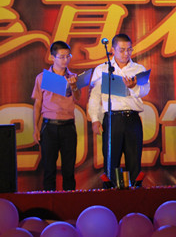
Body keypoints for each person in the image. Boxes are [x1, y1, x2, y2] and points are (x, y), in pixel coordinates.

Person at [88, 34, 150, 185]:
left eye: (129, 49)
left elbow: (145, 90)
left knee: (134, 161)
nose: (126, 53)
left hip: (132, 119)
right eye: (122, 50)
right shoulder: (102, 69)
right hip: (112, 119)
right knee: (111, 161)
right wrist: (95, 119)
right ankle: (110, 193)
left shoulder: (138, 69)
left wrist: (133, 87)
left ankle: (135, 194)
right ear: (112, 50)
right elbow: (94, 97)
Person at [32, 41, 80, 191]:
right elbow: (38, 104)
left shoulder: (72, 77)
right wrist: (36, 128)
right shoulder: (42, 78)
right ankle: (49, 201)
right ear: (52, 57)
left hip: (68, 126)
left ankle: (69, 202)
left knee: (69, 171)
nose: (65, 60)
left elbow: (77, 98)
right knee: (49, 170)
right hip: (49, 126)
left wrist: (74, 86)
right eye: (61, 57)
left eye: (68, 56)